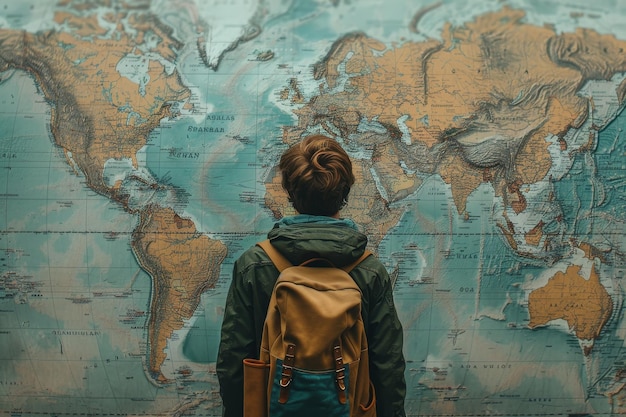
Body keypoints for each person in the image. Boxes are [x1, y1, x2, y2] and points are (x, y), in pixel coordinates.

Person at [216, 134, 406, 417]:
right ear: (345, 192)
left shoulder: (253, 266)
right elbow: (387, 368)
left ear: (290, 192)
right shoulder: (369, 272)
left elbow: (233, 363)